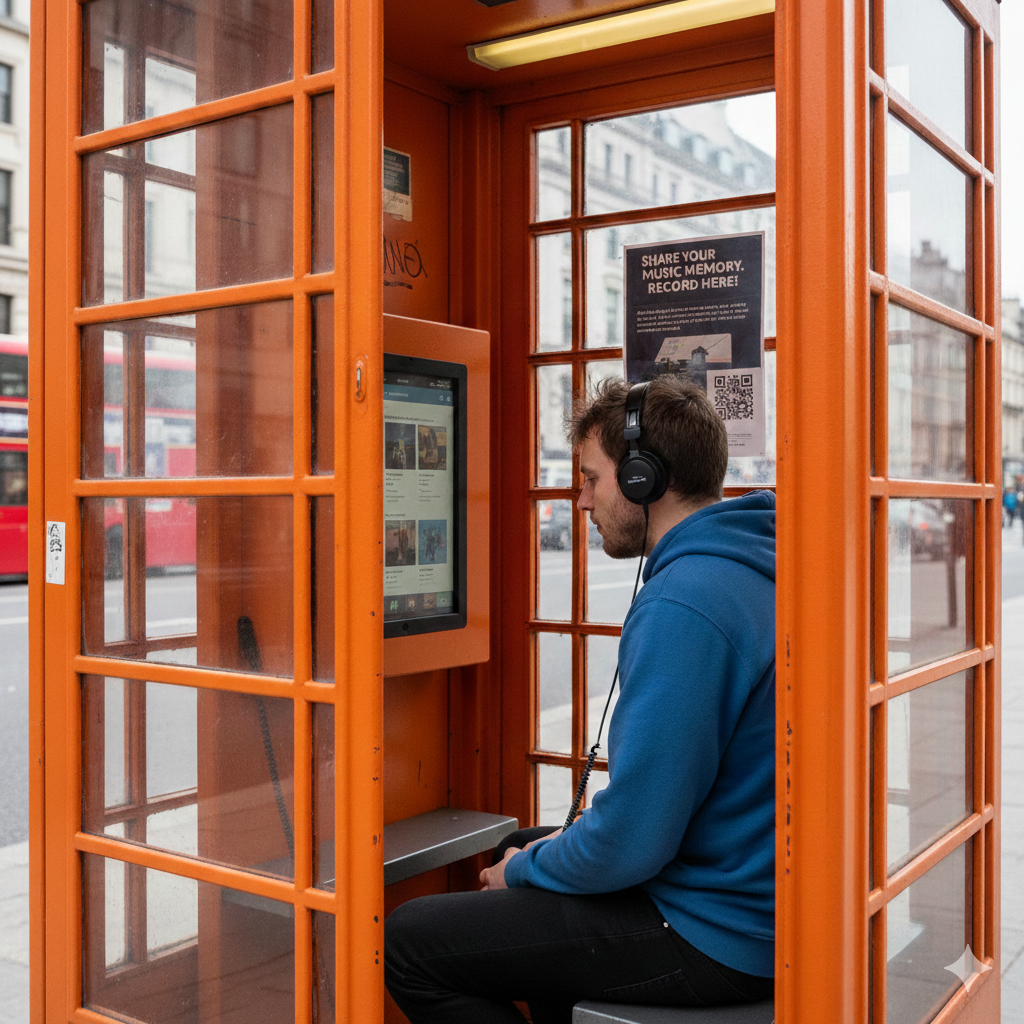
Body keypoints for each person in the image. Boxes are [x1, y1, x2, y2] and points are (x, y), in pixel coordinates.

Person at [385, 375, 776, 1023]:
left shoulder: (686, 602)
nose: (581, 498)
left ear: (645, 479)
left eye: (592, 478)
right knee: (528, 840)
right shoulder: (749, 557)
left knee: (411, 942)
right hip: (759, 886)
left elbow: (632, 840)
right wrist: (534, 857)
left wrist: (520, 874)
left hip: (717, 930)